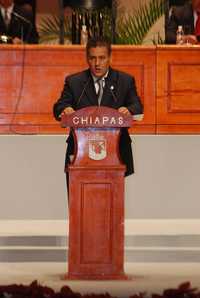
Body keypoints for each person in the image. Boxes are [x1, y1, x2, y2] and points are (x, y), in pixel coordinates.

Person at [53, 36, 143, 182]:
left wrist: (129, 110)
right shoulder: (74, 82)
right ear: (87, 59)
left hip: (116, 156)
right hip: (79, 156)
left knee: (112, 203)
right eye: (93, 58)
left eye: (102, 58)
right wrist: (66, 108)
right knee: (80, 203)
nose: (97, 63)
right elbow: (59, 106)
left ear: (110, 58)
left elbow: (137, 106)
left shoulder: (125, 81)